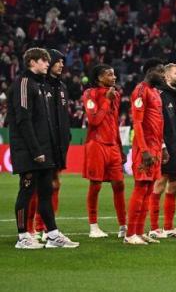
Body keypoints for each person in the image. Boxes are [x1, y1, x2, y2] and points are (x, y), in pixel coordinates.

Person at [9, 48, 79, 249]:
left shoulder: (40, 85)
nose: (48, 64)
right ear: (32, 62)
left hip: (45, 150)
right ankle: (23, 237)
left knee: (46, 192)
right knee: (26, 191)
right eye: (44, 60)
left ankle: (52, 235)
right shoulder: (24, 83)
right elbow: (23, 120)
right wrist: (35, 150)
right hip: (29, 150)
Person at [29, 49, 72, 240]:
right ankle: (33, 227)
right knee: (38, 186)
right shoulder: (40, 85)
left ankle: (46, 228)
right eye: (58, 62)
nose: (61, 65)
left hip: (59, 144)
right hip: (44, 143)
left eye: (63, 62)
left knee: (54, 183)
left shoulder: (62, 87)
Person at [125, 59, 168, 245]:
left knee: (149, 189)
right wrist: (143, 150)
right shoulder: (141, 91)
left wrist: (163, 147)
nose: (163, 75)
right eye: (160, 71)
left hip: (156, 147)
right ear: (150, 71)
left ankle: (139, 232)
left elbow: (158, 124)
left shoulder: (155, 93)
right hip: (145, 148)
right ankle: (130, 234)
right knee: (141, 187)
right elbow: (138, 123)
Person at [82, 64, 127, 239]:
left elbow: (114, 124)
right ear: (100, 78)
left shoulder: (115, 94)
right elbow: (94, 120)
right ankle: (93, 226)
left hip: (112, 146)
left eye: (114, 74)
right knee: (96, 185)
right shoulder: (90, 94)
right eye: (110, 74)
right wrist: (107, 100)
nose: (114, 77)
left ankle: (123, 226)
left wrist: (120, 148)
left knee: (119, 184)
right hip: (96, 144)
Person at [149, 63, 176, 239]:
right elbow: (155, 125)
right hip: (165, 148)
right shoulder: (159, 96)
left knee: (174, 186)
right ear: (167, 77)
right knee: (159, 184)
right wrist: (161, 146)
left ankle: (168, 227)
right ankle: (154, 228)